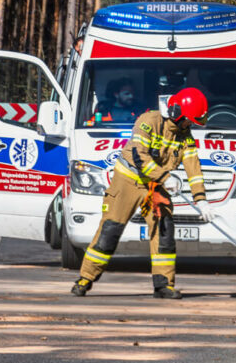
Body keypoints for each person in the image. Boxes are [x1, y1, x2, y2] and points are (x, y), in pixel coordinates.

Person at [71, 87, 213, 299]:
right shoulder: (149, 121)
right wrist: (166, 177)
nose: (189, 125)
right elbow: (140, 158)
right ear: (177, 113)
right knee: (110, 230)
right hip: (128, 182)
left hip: (155, 184)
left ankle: (164, 284)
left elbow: (194, 167)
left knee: (164, 231)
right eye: (188, 120)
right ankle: (85, 279)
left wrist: (201, 199)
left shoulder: (185, 135)